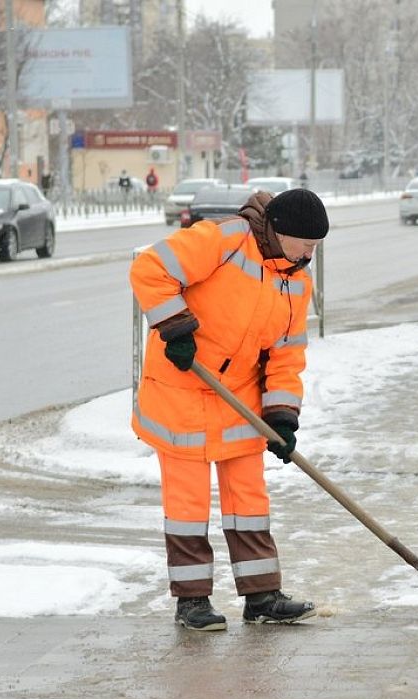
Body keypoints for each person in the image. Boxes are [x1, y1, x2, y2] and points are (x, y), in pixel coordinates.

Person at [129, 188, 329, 631]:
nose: (310, 255)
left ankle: (261, 596)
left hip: (239, 396)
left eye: (315, 247)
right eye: (306, 244)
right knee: (188, 504)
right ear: (279, 232)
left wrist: (281, 414)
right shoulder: (224, 240)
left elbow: (286, 353)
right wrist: (175, 326)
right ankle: (192, 601)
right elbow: (150, 267)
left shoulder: (296, 279)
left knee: (248, 501)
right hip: (183, 385)